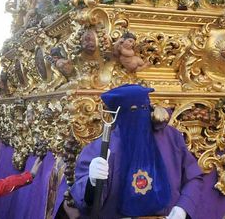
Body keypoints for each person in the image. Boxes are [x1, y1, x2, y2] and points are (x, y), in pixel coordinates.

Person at [71, 84, 203, 218]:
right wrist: (92, 183)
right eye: (132, 110)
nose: (140, 115)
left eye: (144, 108)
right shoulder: (100, 149)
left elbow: (193, 177)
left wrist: (182, 207)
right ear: (117, 116)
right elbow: (86, 203)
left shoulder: (170, 138)